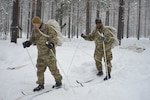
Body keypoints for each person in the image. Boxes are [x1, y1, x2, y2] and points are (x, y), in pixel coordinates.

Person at [23, 16, 62, 91]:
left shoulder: (47, 28)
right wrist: (28, 43)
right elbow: (33, 38)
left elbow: (53, 36)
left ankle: (58, 82)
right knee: (39, 69)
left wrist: (52, 43)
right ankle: (40, 84)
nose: (35, 26)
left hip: (49, 53)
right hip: (40, 53)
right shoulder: (35, 30)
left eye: (36, 24)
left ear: (39, 23)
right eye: (33, 24)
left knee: (53, 69)